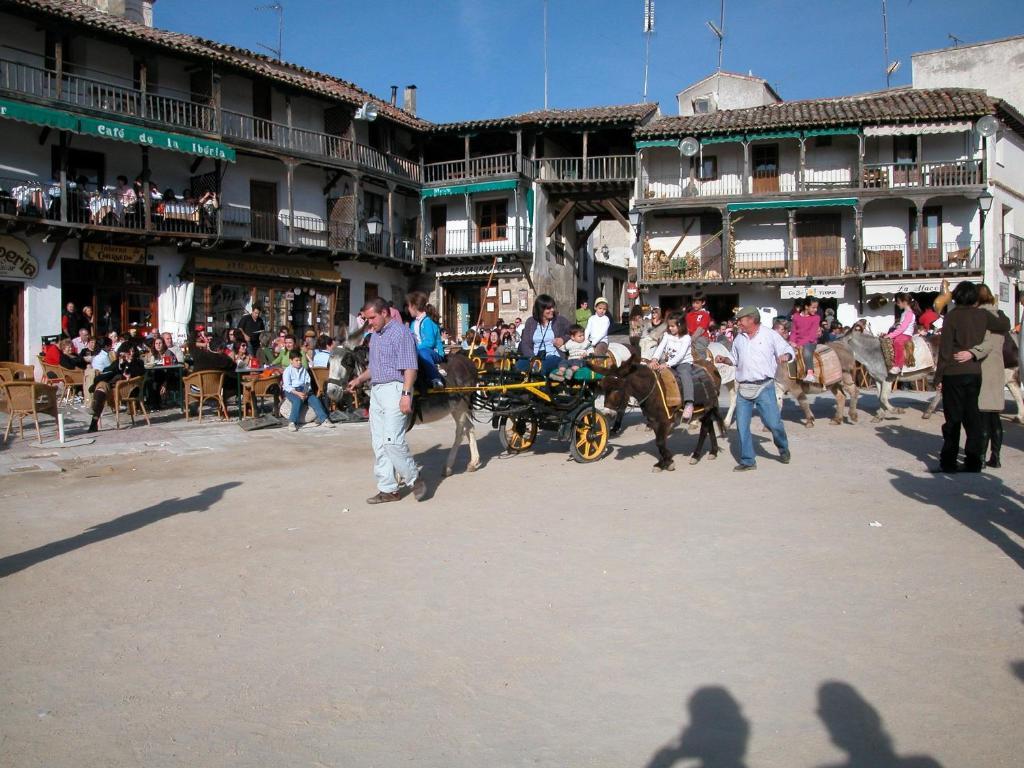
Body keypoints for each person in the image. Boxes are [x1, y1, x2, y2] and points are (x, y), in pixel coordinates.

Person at [344, 298, 424, 504]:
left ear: (385, 313)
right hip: (377, 390)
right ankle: (388, 489)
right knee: (379, 443)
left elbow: (410, 367)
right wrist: (359, 379)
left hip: (395, 389)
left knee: (392, 440)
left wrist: (406, 395)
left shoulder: (401, 333)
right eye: (367, 318)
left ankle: (414, 479)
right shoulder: (375, 336)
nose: (369, 322)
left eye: (372, 317)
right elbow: (375, 367)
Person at [933, 281, 1009, 473]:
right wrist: (999, 310)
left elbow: (945, 350)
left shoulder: (951, 317)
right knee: (972, 418)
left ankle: (949, 462)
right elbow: (1004, 324)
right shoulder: (982, 315)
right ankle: (974, 460)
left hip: (953, 372)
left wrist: (938, 377)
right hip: (974, 372)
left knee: (953, 420)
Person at [716, 306, 792, 471]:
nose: (738, 323)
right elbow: (735, 358)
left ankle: (783, 447)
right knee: (742, 426)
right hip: (743, 388)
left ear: (751, 319)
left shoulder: (770, 335)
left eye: (741, 320)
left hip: (764, 386)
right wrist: (725, 360)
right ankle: (748, 460)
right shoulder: (739, 339)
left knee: (774, 424)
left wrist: (786, 356)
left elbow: (787, 349)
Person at [956, 284, 1011, 469]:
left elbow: (980, 343)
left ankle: (980, 457)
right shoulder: (1000, 316)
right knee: (994, 416)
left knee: (981, 416)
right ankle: (996, 457)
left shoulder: (980, 317)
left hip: (982, 366)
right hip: (998, 365)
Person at [647, 312, 697, 421]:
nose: (670, 328)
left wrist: (667, 364)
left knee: (685, 374)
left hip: (683, 363)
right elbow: (660, 347)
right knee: (656, 374)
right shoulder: (667, 336)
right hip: (669, 362)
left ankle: (689, 403)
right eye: (669, 326)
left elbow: (680, 356)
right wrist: (654, 359)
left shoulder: (686, 338)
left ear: (680, 325)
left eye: (673, 326)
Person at [87, 342, 145, 433]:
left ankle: (94, 420)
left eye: (133, 351)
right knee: (102, 386)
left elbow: (140, 373)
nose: (131, 354)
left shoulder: (138, 362)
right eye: (128, 352)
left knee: (101, 392)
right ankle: (94, 420)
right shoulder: (118, 362)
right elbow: (106, 371)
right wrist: (119, 365)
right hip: (112, 390)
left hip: (127, 389)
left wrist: (129, 364)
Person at [516, 294, 571, 376]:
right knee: (519, 366)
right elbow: (525, 343)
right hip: (534, 357)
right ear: (540, 309)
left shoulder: (560, 320)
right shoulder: (530, 322)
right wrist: (532, 358)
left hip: (553, 356)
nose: (552, 310)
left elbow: (573, 332)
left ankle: (543, 387)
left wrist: (563, 339)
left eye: (553, 307)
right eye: (548, 308)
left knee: (542, 367)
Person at [281, 349, 334, 432]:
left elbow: (307, 382)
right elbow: (287, 386)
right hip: (292, 391)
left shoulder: (304, 370)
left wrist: (305, 392)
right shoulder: (287, 371)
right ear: (291, 361)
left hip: (304, 390)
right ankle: (292, 422)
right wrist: (298, 393)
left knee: (315, 400)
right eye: (296, 360)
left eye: (300, 360)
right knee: (297, 401)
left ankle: (324, 419)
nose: (299, 362)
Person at [407, 291, 444, 387]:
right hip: (418, 352)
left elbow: (430, 342)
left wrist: (415, 349)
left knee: (423, 352)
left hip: (433, 353)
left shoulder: (427, 321)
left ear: (414, 307)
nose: (408, 309)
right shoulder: (413, 323)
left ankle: (436, 378)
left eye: (409, 306)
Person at [885, 292, 919, 374]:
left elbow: (903, 328)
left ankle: (898, 365)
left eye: (898, 302)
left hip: (905, 335)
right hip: (902, 333)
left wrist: (891, 335)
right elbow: (900, 326)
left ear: (904, 302)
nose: (897, 304)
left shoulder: (909, 313)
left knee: (898, 342)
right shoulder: (905, 313)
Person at [790, 297, 821, 383]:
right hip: (797, 342)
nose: (815, 309)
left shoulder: (816, 318)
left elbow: (812, 335)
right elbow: (793, 331)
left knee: (806, 351)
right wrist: (792, 341)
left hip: (810, 342)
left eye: (816, 307)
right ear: (806, 306)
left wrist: (799, 344)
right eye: (813, 307)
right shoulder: (796, 316)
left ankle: (810, 373)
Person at [685, 293, 712, 360]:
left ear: (703, 303)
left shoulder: (705, 315)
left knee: (699, 347)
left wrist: (691, 340)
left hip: (701, 337)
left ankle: (702, 364)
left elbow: (700, 330)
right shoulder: (689, 315)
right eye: (693, 303)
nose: (694, 305)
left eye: (697, 303)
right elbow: (686, 328)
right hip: (690, 337)